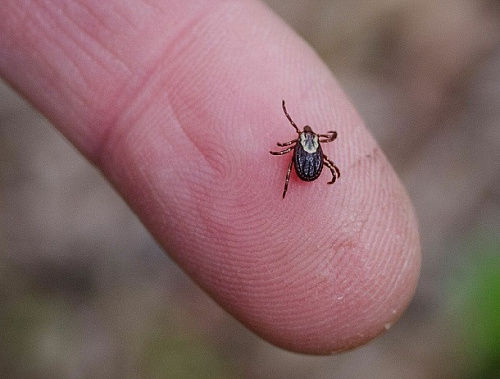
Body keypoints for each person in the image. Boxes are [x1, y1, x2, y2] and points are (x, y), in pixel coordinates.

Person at [0, 0, 421, 354]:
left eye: (307, 138)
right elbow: (306, 158)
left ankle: (291, 188)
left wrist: (304, 166)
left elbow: (295, 156)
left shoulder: (298, 147)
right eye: (306, 138)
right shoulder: (307, 149)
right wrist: (319, 167)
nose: (306, 140)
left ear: (305, 140)